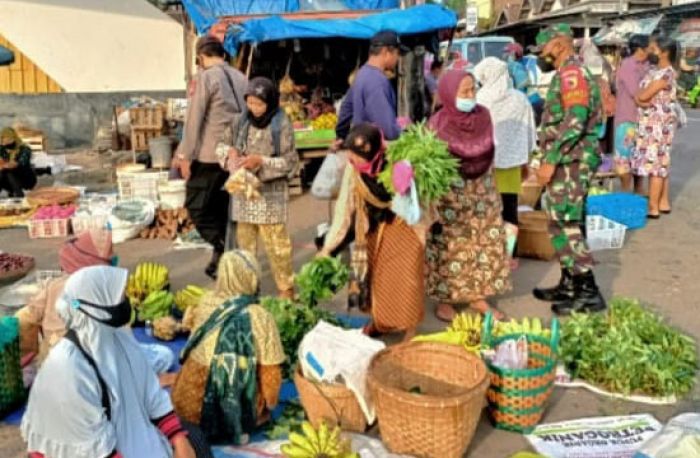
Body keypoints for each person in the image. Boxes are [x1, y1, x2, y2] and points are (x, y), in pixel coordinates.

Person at [21, 266, 199, 458]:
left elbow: (151, 394)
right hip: (90, 452)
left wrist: (179, 440)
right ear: (99, 305)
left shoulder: (120, 340)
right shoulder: (67, 370)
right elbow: (93, 452)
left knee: (195, 438)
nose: (126, 301)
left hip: (122, 439)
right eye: (120, 297)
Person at [319, 123, 424, 340]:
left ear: (374, 153)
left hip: (403, 224)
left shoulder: (397, 162)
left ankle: (410, 329)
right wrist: (328, 247)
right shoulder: (353, 170)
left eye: (357, 157)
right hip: (373, 225)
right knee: (376, 277)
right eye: (350, 156)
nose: (353, 161)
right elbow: (344, 210)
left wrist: (405, 182)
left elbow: (418, 201)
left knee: (405, 277)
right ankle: (381, 322)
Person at [530, 24, 606, 315]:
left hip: (571, 161)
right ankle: (569, 283)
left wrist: (550, 161)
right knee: (560, 221)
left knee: (567, 224)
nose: (541, 55)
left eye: (544, 49)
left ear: (559, 45)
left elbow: (575, 120)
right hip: (567, 159)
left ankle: (588, 291)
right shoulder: (566, 73)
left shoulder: (572, 74)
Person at [173, 250, 285, 445]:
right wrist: (269, 405)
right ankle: (233, 424)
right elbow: (271, 375)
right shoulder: (260, 316)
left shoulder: (206, 301)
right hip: (232, 410)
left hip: (187, 404)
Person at [426, 69, 511, 322]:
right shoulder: (438, 123)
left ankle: (478, 298)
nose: (471, 95)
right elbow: (430, 161)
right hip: (450, 192)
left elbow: (488, 147)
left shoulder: (483, 115)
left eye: (473, 89)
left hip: (482, 188)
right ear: (450, 94)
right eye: (464, 91)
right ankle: (445, 300)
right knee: (449, 245)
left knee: (484, 241)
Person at [174, 36, 247, 279]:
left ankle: (225, 248)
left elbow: (194, 119)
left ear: (201, 58)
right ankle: (222, 259)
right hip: (234, 156)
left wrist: (185, 154)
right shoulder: (241, 77)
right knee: (222, 209)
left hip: (209, 156)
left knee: (198, 208)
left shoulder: (206, 78)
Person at [223, 77, 298, 299]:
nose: (254, 108)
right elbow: (222, 145)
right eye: (250, 102)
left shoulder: (282, 124)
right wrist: (230, 155)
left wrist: (262, 161)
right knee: (245, 248)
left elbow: (290, 162)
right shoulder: (240, 121)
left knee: (278, 248)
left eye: (259, 104)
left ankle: (286, 291)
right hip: (244, 197)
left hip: (271, 197)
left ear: (271, 102)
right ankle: (248, 292)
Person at [16, 229, 115, 363]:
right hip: (91, 357)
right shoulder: (103, 290)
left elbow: (31, 313)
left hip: (54, 354)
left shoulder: (54, 285)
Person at [474, 57, 537, 227]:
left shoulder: (479, 99)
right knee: (509, 211)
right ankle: (510, 251)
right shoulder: (520, 99)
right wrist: (526, 160)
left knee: (486, 213)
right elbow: (529, 132)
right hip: (512, 166)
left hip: (485, 167)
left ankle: (490, 250)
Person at [631, 36, 679, 218]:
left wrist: (640, 98)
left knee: (656, 167)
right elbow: (640, 94)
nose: (649, 52)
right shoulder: (653, 71)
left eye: (653, 49)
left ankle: (653, 207)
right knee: (659, 164)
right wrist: (640, 98)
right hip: (648, 124)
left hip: (659, 127)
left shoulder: (666, 74)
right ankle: (662, 203)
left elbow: (643, 96)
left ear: (664, 52)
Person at [351, 30, 408, 140]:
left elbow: (347, 108)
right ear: (386, 52)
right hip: (373, 147)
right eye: (397, 53)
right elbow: (388, 130)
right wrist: (405, 134)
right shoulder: (377, 81)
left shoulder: (362, 73)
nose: (398, 58)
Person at [615, 34, 650, 192]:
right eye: (649, 47)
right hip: (627, 118)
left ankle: (638, 192)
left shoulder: (647, 65)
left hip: (642, 119)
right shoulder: (628, 65)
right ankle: (625, 193)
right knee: (624, 159)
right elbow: (636, 93)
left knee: (639, 160)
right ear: (641, 49)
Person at [0, 127, 37, 197]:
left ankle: (19, 195)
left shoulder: (24, 149)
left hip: (25, 178)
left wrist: (3, 165)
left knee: (8, 171)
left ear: (12, 138)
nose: (1, 140)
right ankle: (16, 193)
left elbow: (16, 164)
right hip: (8, 179)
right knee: (3, 173)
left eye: (4, 138)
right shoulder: (2, 148)